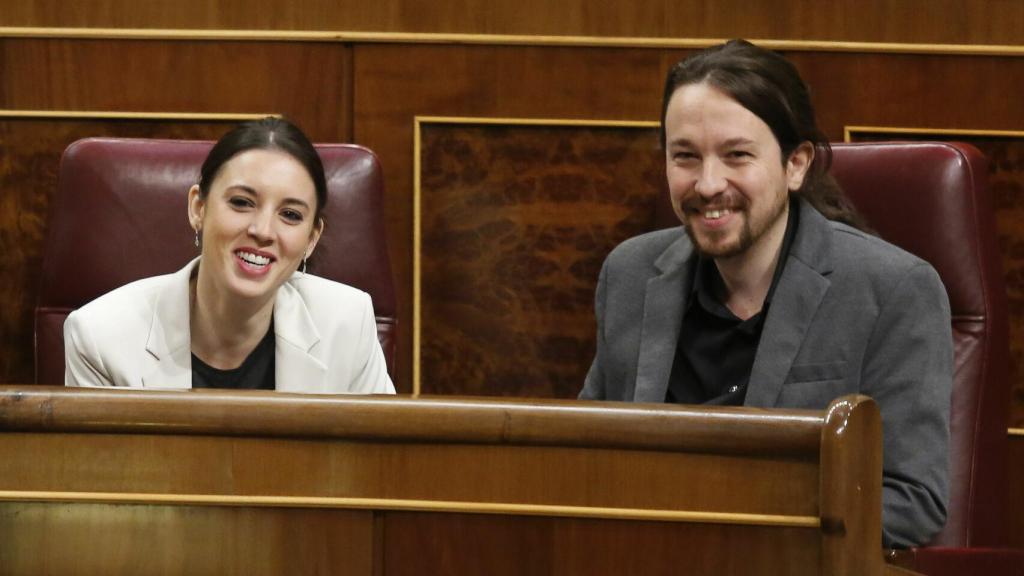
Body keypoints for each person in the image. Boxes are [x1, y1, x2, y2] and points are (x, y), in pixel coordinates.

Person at [579, 40, 951, 548]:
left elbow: (913, 499)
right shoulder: (629, 273)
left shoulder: (892, 289)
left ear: (795, 164)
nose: (708, 184)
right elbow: (582, 461)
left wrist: (728, 528)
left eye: (737, 155)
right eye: (685, 156)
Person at [64, 117, 394, 394]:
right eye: (241, 202)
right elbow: (101, 471)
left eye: (291, 215)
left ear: (311, 238)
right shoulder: (100, 338)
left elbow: (376, 466)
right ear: (198, 207)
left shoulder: (348, 325)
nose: (263, 231)